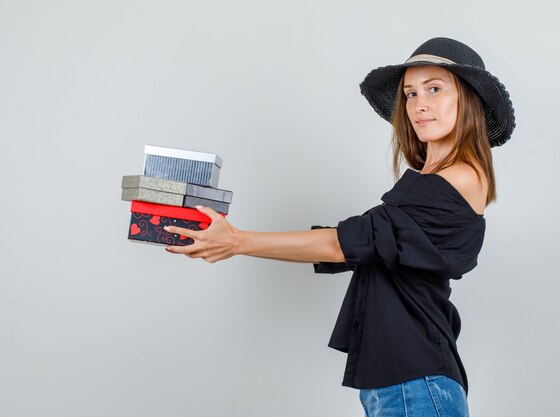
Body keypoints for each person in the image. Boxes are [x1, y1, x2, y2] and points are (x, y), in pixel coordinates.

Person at [164, 37, 515, 417]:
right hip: (399, 380)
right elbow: (361, 244)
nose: (419, 104)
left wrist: (236, 241)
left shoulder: (460, 177)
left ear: (469, 100)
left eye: (434, 88)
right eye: (410, 94)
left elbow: (345, 244)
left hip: (417, 380)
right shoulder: (428, 180)